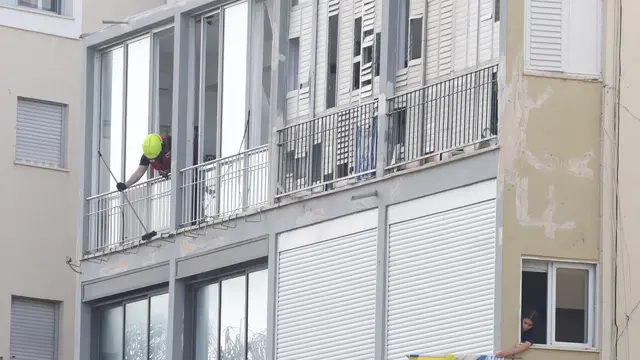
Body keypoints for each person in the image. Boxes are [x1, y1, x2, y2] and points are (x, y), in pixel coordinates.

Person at [116, 133, 198, 191]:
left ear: (162, 147)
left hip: (190, 176)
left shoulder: (171, 143)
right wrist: (126, 185)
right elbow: (139, 172)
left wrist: (171, 170)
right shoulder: (148, 153)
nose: (155, 158)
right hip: (172, 184)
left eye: (156, 155)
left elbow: (185, 156)